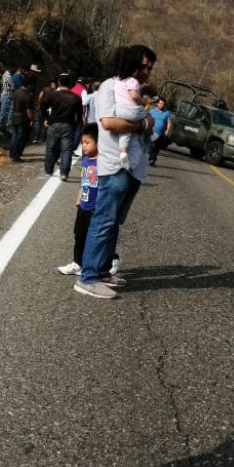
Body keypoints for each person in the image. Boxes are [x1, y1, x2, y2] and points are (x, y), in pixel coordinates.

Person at [74, 45, 157, 299]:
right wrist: (143, 122)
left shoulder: (134, 90)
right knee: (103, 220)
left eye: (150, 67)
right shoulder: (109, 86)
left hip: (133, 169)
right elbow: (109, 122)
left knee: (113, 223)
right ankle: (87, 277)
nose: (147, 71)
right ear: (131, 63)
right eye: (144, 66)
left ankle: (101, 270)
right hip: (114, 165)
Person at [57, 123, 99, 276]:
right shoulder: (86, 160)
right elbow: (84, 181)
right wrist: (79, 197)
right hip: (84, 204)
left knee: (93, 237)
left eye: (87, 143)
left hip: (95, 207)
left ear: (99, 143)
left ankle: (93, 265)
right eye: (82, 143)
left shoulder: (103, 162)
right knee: (79, 234)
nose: (84, 146)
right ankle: (77, 263)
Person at [41, 73, 83, 181]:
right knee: (66, 150)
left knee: (50, 148)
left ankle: (48, 170)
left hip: (54, 124)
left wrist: (46, 118)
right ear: (70, 84)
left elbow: (43, 105)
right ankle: (64, 173)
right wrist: (77, 125)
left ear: (58, 82)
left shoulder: (52, 95)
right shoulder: (75, 98)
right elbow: (79, 115)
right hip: (68, 125)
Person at [113, 53, 150, 170]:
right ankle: (152, 134)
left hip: (118, 110)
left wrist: (142, 86)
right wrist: (144, 101)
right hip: (131, 110)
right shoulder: (133, 81)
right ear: (134, 70)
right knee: (147, 115)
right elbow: (134, 96)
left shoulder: (117, 81)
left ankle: (123, 153)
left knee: (126, 131)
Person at [9, 73, 34, 162]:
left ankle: (12, 153)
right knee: (21, 138)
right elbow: (29, 111)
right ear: (29, 85)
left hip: (14, 115)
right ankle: (16, 155)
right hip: (23, 118)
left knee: (14, 136)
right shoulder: (28, 96)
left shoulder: (17, 92)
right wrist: (31, 120)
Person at [148, 96, 172, 167]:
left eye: (163, 104)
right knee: (152, 145)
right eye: (161, 103)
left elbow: (169, 122)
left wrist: (167, 130)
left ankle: (153, 160)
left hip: (161, 134)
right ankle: (151, 158)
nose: (162, 105)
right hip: (152, 131)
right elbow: (147, 118)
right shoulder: (152, 111)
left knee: (157, 148)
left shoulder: (167, 113)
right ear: (157, 104)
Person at [0, 66, 16, 138]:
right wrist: (13, 86)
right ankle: (0, 128)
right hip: (7, 95)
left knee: (7, 112)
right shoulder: (7, 75)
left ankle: (3, 128)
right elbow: (11, 86)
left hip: (8, 95)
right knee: (3, 111)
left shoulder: (8, 75)